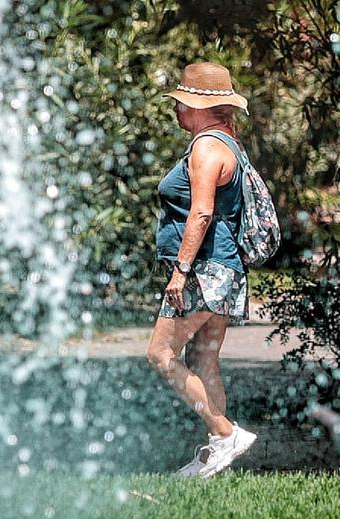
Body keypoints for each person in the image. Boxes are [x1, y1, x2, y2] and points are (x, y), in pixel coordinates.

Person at [146, 62, 257, 478]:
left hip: (205, 270)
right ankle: (219, 456)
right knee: (205, 359)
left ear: (196, 107)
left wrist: (180, 271)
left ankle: (224, 434)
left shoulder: (206, 148)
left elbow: (202, 212)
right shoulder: (229, 144)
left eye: (179, 103)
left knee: (160, 353)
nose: (176, 110)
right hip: (226, 269)